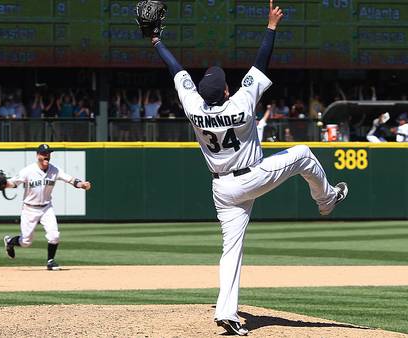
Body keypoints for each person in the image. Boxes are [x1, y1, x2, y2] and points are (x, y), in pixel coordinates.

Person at [144, 1, 347, 335]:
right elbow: (261, 63)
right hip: (251, 177)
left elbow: (176, 70)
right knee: (303, 153)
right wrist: (271, 26)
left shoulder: (194, 108)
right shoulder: (240, 103)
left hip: (221, 190)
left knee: (231, 250)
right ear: (226, 90)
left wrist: (155, 42)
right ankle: (326, 200)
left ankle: (226, 312)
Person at [1, 144, 92, 270]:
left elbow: (69, 179)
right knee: (26, 242)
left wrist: (81, 184)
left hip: (46, 208)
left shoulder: (54, 170)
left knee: (54, 236)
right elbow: (13, 182)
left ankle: (50, 261)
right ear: (37, 155)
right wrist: (4, 184)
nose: (46, 156)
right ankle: (10, 242)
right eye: (44, 154)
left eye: (48, 154)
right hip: (29, 208)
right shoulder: (28, 170)